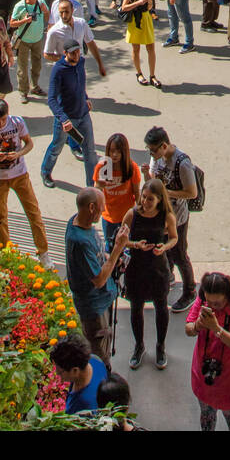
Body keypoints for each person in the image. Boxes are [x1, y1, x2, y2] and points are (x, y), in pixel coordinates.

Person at [0, 98, 52, 266]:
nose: (1, 123)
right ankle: (5, 253)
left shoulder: (17, 123)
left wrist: (18, 154)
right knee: (0, 217)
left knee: (34, 214)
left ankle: (43, 253)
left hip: (20, 175)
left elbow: (29, 143)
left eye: (4, 119)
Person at [64, 187, 129, 370]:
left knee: (105, 340)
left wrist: (110, 258)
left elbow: (96, 258)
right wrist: (117, 249)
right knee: (100, 354)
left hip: (102, 299)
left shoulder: (78, 223)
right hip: (94, 305)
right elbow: (99, 280)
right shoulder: (80, 241)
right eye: (101, 207)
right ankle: (104, 384)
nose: (103, 211)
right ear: (91, 207)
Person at [121, 179, 178, 371]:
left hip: (157, 268)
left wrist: (164, 247)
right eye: (144, 197)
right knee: (136, 307)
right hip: (136, 268)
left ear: (160, 200)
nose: (145, 202)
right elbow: (122, 239)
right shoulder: (132, 214)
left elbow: (174, 237)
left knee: (161, 306)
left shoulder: (166, 216)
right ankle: (139, 346)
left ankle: (160, 346)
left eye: (150, 199)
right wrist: (135, 245)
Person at [185, 272, 230, 432]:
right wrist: (197, 325)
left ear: (227, 296)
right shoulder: (202, 300)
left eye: (218, 303)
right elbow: (188, 328)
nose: (213, 306)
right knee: (206, 417)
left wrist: (216, 328)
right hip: (203, 372)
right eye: (210, 301)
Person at [41, 3, 99, 187]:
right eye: (73, 53)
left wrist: (87, 98)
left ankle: (91, 187)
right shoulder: (59, 70)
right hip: (66, 119)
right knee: (56, 147)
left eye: (77, 51)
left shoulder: (80, 63)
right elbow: (51, 99)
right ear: (65, 53)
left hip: (83, 115)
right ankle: (45, 172)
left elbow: (81, 85)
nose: (76, 55)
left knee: (90, 151)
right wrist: (63, 119)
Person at [143, 125, 198, 313]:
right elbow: (152, 177)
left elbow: (192, 192)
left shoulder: (182, 163)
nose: (151, 154)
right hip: (161, 215)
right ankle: (168, 278)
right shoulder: (156, 158)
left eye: (153, 150)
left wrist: (167, 193)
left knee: (179, 254)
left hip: (178, 217)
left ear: (164, 146)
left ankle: (190, 291)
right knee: (164, 251)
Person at [93, 131, 142, 251]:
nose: (114, 155)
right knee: (110, 247)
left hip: (127, 216)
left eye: (119, 151)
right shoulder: (102, 167)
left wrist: (141, 213)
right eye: (111, 150)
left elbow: (136, 193)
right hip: (108, 216)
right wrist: (101, 184)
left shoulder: (131, 167)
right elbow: (95, 191)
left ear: (124, 152)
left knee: (127, 247)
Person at [49, 333, 110, 414]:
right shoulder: (95, 359)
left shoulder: (83, 406)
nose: (57, 373)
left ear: (75, 370)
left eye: (60, 371)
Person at [9, 0, 49, 103]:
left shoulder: (41, 2)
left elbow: (47, 17)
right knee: (23, 67)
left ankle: (35, 86)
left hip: (37, 39)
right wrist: (24, 21)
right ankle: (23, 91)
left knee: (37, 64)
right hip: (24, 41)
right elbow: (12, 23)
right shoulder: (19, 6)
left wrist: (46, 11)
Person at [121, 0, 159, 88]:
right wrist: (139, 2)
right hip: (135, 21)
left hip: (146, 18)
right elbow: (123, 7)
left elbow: (149, 8)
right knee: (136, 48)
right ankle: (139, 73)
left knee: (150, 47)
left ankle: (152, 76)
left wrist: (149, 3)